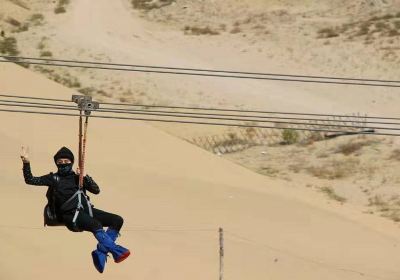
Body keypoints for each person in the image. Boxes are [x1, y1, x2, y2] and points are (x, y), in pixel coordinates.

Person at [20, 146, 130, 273]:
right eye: (59, 162)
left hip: (85, 211)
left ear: (71, 162)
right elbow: (30, 180)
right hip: (70, 217)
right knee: (95, 224)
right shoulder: (53, 178)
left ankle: (101, 251)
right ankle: (116, 250)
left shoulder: (78, 177)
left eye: (66, 162)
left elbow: (96, 190)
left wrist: (84, 176)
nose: (63, 165)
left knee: (117, 220)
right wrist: (26, 162)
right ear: (56, 163)